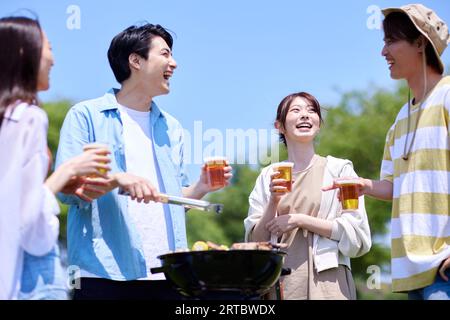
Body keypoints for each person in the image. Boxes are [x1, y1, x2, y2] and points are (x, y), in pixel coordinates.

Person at [55, 23, 232, 300]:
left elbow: (170, 202)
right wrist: (117, 179)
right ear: (135, 60)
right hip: (102, 273)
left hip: (167, 274)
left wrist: (200, 187)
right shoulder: (86, 115)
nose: (174, 63)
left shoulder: (171, 127)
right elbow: (68, 190)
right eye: (165, 54)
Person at [325, 4, 450, 299]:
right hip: (412, 272)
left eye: (391, 41)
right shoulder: (400, 119)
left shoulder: (447, 96)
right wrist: (364, 186)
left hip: (444, 268)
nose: (383, 52)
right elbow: (396, 187)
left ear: (420, 43)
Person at [0, 16, 111, 300]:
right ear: (24, 53)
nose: (53, 60)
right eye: (48, 47)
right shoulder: (29, 117)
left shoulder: (7, 117)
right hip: (30, 270)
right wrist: (68, 170)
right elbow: (27, 222)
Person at [244, 92, 371, 300]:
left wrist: (300, 220)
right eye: (296, 110)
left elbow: (357, 236)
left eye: (311, 111)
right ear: (280, 126)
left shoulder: (341, 171)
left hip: (330, 284)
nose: (305, 115)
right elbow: (256, 242)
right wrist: (274, 201)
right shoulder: (268, 175)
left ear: (319, 124)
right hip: (281, 284)